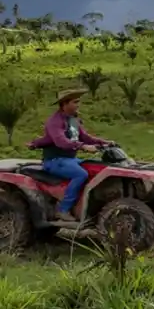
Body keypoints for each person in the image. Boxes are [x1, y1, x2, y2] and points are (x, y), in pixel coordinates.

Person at [26, 89, 111, 222]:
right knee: (80, 174)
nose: (78, 105)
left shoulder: (74, 119)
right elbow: (61, 142)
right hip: (55, 161)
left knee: (95, 168)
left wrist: (106, 142)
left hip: (70, 159)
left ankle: (85, 206)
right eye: (75, 102)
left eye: (78, 102)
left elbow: (85, 137)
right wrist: (83, 146)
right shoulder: (54, 122)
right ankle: (63, 210)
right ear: (64, 104)